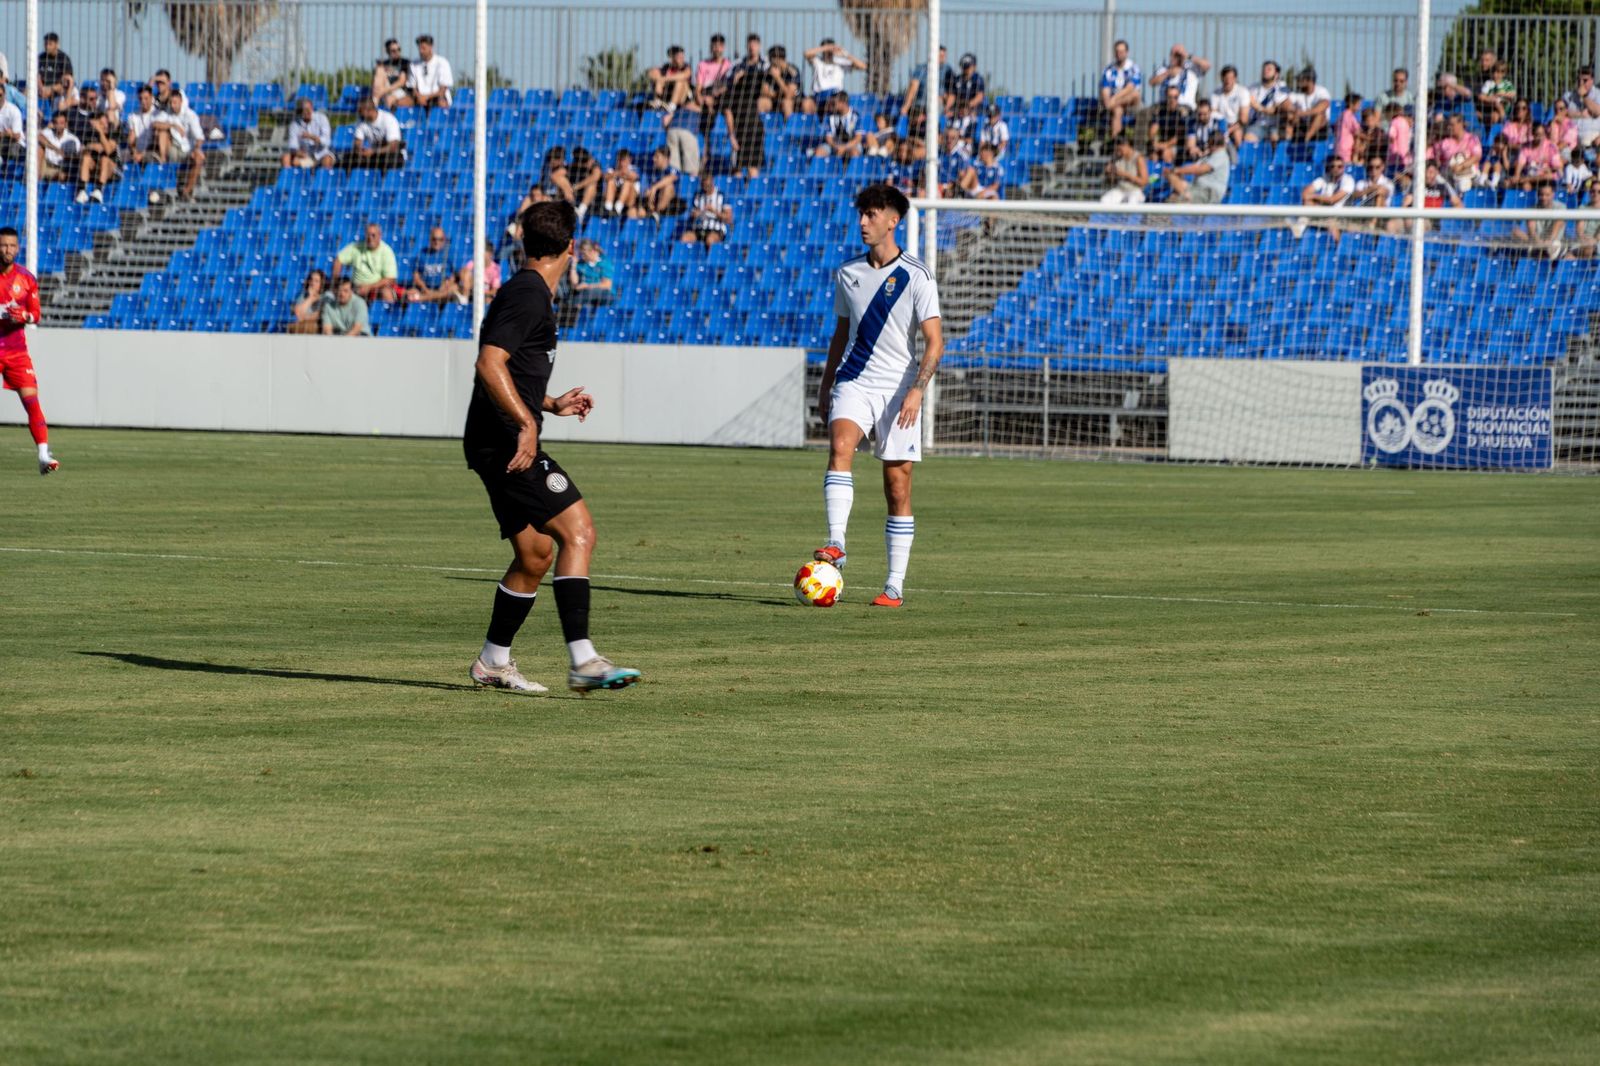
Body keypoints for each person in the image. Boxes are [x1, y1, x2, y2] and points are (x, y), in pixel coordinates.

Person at [462, 200, 641, 694]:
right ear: (570, 248)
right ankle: (583, 659)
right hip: (504, 442)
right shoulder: (529, 294)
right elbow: (489, 363)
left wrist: (549, 403)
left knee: (536, 553)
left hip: (492, 440)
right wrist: (526, 423)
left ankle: (492, 661)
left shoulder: (527, 291)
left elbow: (510, 370)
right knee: (579, 531)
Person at [813, 183, 942, 609]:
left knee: (897, 486)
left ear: (894, 220)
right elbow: (840, 333)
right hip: (855, 380)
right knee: (840, 446)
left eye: (872, 214)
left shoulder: (917, 275)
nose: (863, 222)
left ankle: (894, 585)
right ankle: (836, 543)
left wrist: (917, 391)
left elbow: (935, 341)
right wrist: (827, 382)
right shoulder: (847, 272)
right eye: (861, 213)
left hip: (898, 390)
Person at [0, 228, 58, 474]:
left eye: (12, 246)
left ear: (18, 248)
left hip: (16, 353)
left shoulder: (27, 279)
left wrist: (22, 315)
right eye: (3, 245)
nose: (7, 250)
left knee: (32, 402)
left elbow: (36, 314)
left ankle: (44, 455)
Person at [724, 35, 769, 178]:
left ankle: (750, 197)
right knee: (737, 169)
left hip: (754, 130)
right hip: (740, 131)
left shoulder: (756, 95)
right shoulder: (733, 94)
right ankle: (739, 197)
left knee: (752, 169)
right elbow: (728, 112)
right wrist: (732, 136)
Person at [151, 86, 206, 199]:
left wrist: (195, 150)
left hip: (188, 151)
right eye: (171, 102)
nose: (172, 105)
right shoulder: (168, 113)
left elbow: (200, 138)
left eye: (175, 102)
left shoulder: (191, 115)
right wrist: (173, 125)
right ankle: (163, 163)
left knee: (199, 157)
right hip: (173, 150)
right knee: (162, 132)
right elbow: (154, 123)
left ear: (181, 102)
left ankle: (187, 190)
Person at [332, 222, 399, 304]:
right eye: (368, 235)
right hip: (356, 286)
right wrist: (336, 281)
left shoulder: (387, 251)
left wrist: (369, 287)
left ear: (379, 235)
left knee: (387, 293)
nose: (370, 238)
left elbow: (390, 279)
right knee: (340, 292)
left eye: (373, 235)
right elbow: (339, 260)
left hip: (376, 287)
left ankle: (388, 316)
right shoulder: (356, 247)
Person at [804, 38, 865, 112]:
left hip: (836, 94)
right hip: (819, 95)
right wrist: (825, 48)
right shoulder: (817, 61)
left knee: (836, 101)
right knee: (806, 103)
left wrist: (845, 54)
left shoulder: (840, 62)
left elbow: (863, 66)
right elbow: (806, 53)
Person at [1098, 39, 1142, 140]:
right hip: (1115, 106)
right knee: (1117, 111)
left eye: (1122, 52)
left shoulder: (1133, 68)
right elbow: (1105, 90)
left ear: (1127, 52)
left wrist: (1113, 100)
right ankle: (1116, 142)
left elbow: (1130, 88)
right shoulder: (1109, 70)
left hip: (1131, 104)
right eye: (1117, 52)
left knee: (1135, 94)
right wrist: (1108, 101)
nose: (1119, 54)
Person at [74, 110, 120, 203]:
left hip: (112, 170)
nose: (105, 125)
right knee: (86, 157)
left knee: (104, 159)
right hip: (95, 169)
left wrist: (100, 133)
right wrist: (90, 146)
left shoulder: (113, 134)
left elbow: (108, 150)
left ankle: (99, 191)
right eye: (101, 123)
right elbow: (81, 152)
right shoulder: (89, 135)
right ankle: (82, 191)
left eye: (105, 122)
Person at [347, 96, 404, 170]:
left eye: (360, 111)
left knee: (390, 159)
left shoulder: (389, 119)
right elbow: (358, 142)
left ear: (368, 110)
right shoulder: (361, 121)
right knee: (350, 159)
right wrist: (360, 149)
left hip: (392, 155)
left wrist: (374, 151)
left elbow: (393, 146)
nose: (358, 113)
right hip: (374, 154)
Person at [1167, 137, 1230, 204]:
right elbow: (1195, 166)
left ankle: (1185, 197)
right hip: (1196, 188)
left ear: (1213, 144)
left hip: (1208, 192)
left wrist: (1178, 170)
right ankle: (1185, 196)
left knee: (1175, 201)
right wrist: (1177, 171)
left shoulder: (1221, 154)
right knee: (1170, 176)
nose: (1207, 146)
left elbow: (1200, 169)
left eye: (1209, 144)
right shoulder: (1208, 155)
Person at [1511, 181, 1565, 259]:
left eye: (1547, 195)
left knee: (1559, 221)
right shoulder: (1532, 209)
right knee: (1515, 232)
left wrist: (1549, 240)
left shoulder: (1561, 207)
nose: (1543, 198)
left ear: (1553, 195)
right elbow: (1531, 230)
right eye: (1541, 195)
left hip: (1553, 242)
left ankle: (1545, 249)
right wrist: (1538, 242)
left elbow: (1558, 224)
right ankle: (1541, 248)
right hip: (1536, 241)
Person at [409, 226, 460, 304]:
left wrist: (448, 282)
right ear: (430, 239)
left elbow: (455, 274)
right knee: (411, 292)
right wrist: (425, 289)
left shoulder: (450, 253)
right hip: (426, 288)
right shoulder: (422, 254)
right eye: (434, 239)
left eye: (440, 239)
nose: (437, 242)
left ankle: (423, 298)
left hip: (444, 290)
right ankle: (431, 296)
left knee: (453, 288)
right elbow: (416, 276)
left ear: (444, 240)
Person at [281, 96, 335, 169]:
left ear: (312, 108)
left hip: (321, 156)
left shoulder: (322, 118)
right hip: (306, 158)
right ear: (300, 112)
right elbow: (293, 147)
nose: (307, 112)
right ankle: (289, 179)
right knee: (286, 158)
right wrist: (302, 155)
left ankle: (322, 179)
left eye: (308, 109)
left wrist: (311, 137)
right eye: (304, 110)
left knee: (327, 160)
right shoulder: (294, 125)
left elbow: (327, 142)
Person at [1152, 43, 1210, 110]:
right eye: (1174, 54)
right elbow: (1152, 82)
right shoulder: (1164, 69)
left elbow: (1207, 66)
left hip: (1186, 107)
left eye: (1179, 55)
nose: (1177, 57)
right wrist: (1168, 73)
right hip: (1164, 107)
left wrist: (1188, 56)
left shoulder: (1191, 68)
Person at [681, 172, 732, 246]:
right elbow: (692, 214)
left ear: (712, 183)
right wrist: (696, 214)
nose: (706, 188)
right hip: (700, 228)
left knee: (710, 240)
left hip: (716, 230)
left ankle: (711, 257)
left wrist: (714, 211)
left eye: (708, 186)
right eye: (703, 186)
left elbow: (729, 219)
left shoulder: (722, 196)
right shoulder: (698, 196)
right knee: (685, 239)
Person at [1282, 68, 1331, 143]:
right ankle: (1287, 142)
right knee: (1290, 115)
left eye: (1300, 79)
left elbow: (1324, 105)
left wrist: (1302, 113)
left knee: (1320, 115)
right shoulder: (1297, 93)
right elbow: (1285, 103)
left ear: (1309, 81)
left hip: (1320, 128)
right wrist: (1294, 110)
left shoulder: (1321, 91)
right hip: (1302, 124)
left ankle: (1307, 138)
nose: (1298, 82)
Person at [1510, 123, 1563, 191]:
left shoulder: (1551, 147)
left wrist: (1548, 169)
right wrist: (1516, 175)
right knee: (1525, 186)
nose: (1540, 137)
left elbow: (1557, 169)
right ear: (1533, 135)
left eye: (1542, 135)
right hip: (1530, 176)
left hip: (1545, 178)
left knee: (1547, 178)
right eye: (1537, 135)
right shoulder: (1526, 147)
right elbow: (1520, 163)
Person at [566, 238, 614, 310]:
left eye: (584, 254)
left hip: (604, 294)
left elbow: (606, 285)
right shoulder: (581, 264)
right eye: (581, 254)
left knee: (590, 293)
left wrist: (587, 286)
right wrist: (573, 266)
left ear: (592, 251)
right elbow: (574, 283)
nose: (582, 257)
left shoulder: (605, 263)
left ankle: (572, 305)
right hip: (584, 294)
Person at [1209, 65, 1252, 146]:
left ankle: (1237, 157)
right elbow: (1213, 113)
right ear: (1221, 78)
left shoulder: (1243, 92)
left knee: (1237, 134)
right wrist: (1223, 129)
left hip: (1237, 125)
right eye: (1225, 77)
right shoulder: (1215, 93)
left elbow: (1244, 120)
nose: (1228, 81)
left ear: (1235, 79)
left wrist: (1228, 130)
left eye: (1231, 78)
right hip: (1220, 125)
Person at [646, 45, 693, 119]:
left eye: (682, 57)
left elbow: (685, 75)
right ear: (672, 57)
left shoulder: (686, 67)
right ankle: (658, 101)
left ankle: (672, 106)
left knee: (680, 81)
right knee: (657, 76)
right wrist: (658, 79)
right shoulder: (666, 67)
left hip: (683, 97)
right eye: (679, 57)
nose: (682, 59)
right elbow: (651, 73)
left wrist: (663, 79)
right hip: (667, 94)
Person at [1101, 134, 1148, 203]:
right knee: (1104, 200)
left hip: (1135, 190)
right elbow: (1110, 182)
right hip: (1120, 189)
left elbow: (1144, 182)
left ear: (1126, 145)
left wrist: (1125, 175)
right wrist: (1108, 173)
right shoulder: (1116, 158)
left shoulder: (1138, 158)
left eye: (1119, 149)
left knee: (1131, 202)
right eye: (1116, 150)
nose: (1117, 152)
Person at [636, 145, 679, 218]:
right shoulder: (650, 172)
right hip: (650, 202)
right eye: (654, 156)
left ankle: (657, 213)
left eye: (657, 157)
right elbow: (644, 190)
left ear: (665, 158)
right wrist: (648, 193)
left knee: (668, 186)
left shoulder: (672, 171)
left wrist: (655, 187)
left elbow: (671, 178)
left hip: (669, 206)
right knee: (633, 212)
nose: (653, 159)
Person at [410, 34, 453, 109]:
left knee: (441, 102)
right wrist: (419, 97)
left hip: (436, 97)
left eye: (423, 48)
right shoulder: (414, 64)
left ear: (431, 47)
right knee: (405, 101)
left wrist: (426, 97)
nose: (421, 51)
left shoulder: (442, 62)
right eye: (419, 48)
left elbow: (443, 89)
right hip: (419, 98)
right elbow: (412, 87)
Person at [1561, 67, 1600, 148]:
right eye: (1579, 80)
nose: (1581, 83)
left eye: (1585, 80)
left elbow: (1597, 112)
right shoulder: (1569, 96)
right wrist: (1580, 114)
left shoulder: (1597, 94)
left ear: (1592, 80)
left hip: (1593, 139)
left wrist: (1584, 96)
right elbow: (1561, 113)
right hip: (1571, 139)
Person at [37, 111, 79, 183]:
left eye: (61, 123)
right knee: (40, 149)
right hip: (46, 165)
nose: (59, 125)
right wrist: (55, 149)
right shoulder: (48, 132)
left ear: (66, 124)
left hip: (61, 168)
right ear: (53, 124)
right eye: (56, 123)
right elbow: (38, 136)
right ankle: (35, 181)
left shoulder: (72, 139)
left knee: (62, 175)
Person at [372, 38, 413, 110]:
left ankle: (384, 116)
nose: (397, 52)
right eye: (393, 51)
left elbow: (401, 82)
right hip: (384, 89)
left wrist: (383, 91)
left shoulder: (404, 62)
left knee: (389, 98)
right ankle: (374, 110)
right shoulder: (384, 64)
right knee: (379, 70)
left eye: (399, 49)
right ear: (387, 51)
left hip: (399, 90)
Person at [286, 268, 329, 333]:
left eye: (316, 281)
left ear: (322, 283)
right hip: (303, 324)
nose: (312, 283)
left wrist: (304, 318)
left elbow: (320, 315)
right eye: (311, 280)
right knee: (292, 326)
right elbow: (297, 314)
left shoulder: (326, 296)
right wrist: (310, 298)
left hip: (319, 325)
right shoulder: (303, 295)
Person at [124, 84, 158, 164]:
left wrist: (142, 154)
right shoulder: (132, 116)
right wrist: (134, 152)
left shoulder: (157, 115)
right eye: (140, 99)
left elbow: (156, 141)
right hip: (136, 151)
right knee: (121, 156)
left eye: (146, 98)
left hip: (152, 151)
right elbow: (131, 137)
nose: (143, 102)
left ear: (151, 97)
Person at [1475, 59, 1515, 128]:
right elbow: (1482, 96)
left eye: (1498, 72)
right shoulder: (1489, 83)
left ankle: (1504, 121)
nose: (1495, 74)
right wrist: (1490, 98)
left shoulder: (1507, 84)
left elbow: (1513, 94)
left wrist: (1502, 94)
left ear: (1504, 73)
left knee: (1497, 107)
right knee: (1495, 116)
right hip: (1491, 105)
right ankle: (1501, 127)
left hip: (1504, 105)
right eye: (1494, 72)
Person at [602, 148, 640, 218]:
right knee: (610, 181)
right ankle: (608, 208)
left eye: (625, 160)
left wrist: (625, 173)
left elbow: (635, 177)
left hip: (630, 200)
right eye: (620, 160)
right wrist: (618, 173)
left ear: (630, 160)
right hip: (616, 197)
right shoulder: (613, 169)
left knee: (628, 183)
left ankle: (618, 208)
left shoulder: (634, 169)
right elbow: (606, 177)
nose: (622, 163)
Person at [36, 33, 73, 102]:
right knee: (26, 92)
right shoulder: (41, 58)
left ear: (57, 44)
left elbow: (67, 80)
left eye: (50, 44)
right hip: (41, 89)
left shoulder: (64, 59)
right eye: (46, 44)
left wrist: (51, 88)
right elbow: (36, 76)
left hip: (57, 89)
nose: (47, 47)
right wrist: (42, 88)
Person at [568, 146, 601, 219]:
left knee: (592, 185)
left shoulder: (595, 165)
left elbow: (596, 176)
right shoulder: (573, 167)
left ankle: (581, 212)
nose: (589, 162)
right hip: (575, 194)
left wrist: (577, 186)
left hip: (594, 197)